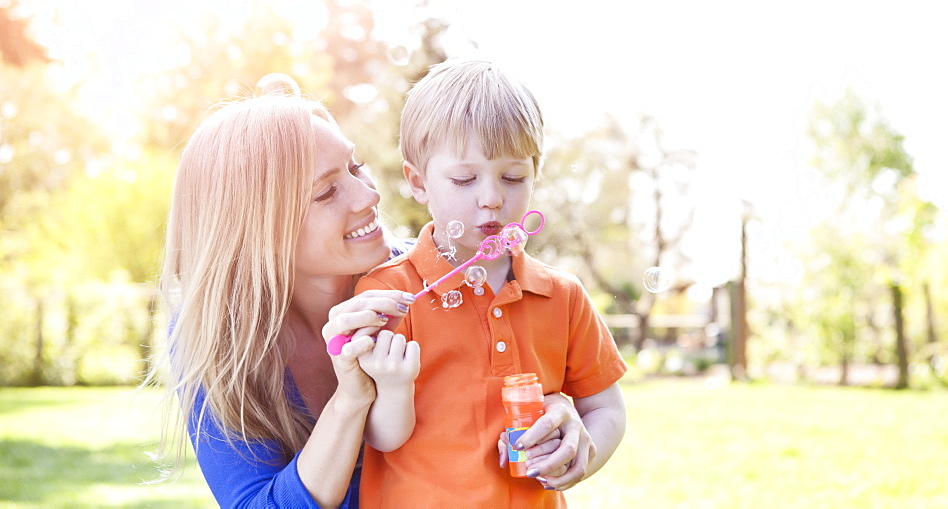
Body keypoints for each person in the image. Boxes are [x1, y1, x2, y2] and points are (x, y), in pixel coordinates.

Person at [149, 74, 594, 508]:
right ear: (257, 230)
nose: (368, 196)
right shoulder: (213, 339)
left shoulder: (429, 279)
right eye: (326, 193)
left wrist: (559, 414)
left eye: (355, 167)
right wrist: (352, 399)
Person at [354, 58, 628, 507]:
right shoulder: (388, 295)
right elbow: (381, 438)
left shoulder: (562, 297)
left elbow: (606, 409)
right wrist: (395, 385)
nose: (492, 198)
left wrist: (584, 454)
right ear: (418, 182)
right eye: (464, 179)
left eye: (513, 176)